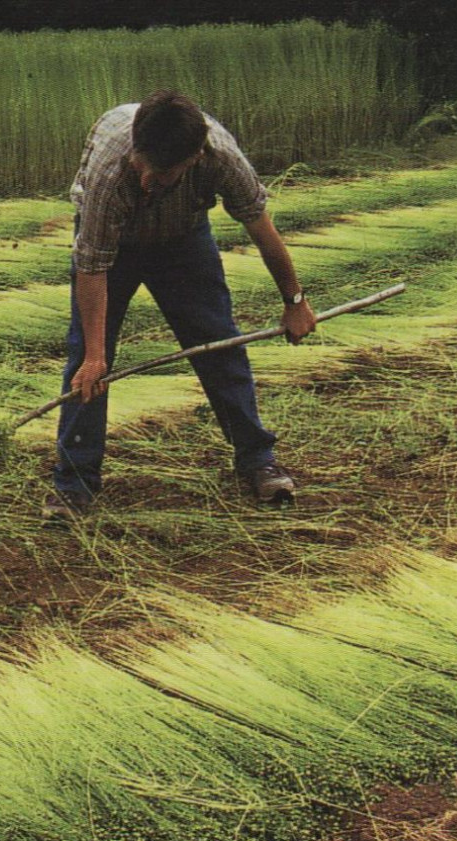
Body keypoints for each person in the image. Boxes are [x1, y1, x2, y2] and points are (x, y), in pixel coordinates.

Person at [44, 90, 317, 522]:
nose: (146, 178)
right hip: (115, 249)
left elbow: (261, 229)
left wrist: (295, 301)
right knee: (86, 361)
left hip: (183, 241)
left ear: (193, 159)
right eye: (142, 165)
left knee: (219, 341)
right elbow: (92, 267)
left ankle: (256, 458)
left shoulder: (221, 158)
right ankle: (74, 482)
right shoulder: (110, 175)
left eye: (162, 173)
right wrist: (96, 356)